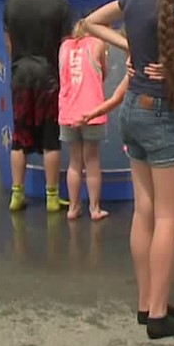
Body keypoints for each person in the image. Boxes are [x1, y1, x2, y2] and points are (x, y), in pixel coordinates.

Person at [84, 0, 174, 340]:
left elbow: (89, 23)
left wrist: (129, 50)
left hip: (133, 108)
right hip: (162, 113)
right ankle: (157, 314)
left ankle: (148, 302)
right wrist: (172, 63)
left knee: (145, 210)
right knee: (169, 216)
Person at [5, 0, 73, 214]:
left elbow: (10, 41)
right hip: (48, 76)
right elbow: (66, 44)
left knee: (19, 136)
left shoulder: (11, 3)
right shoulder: (59, 5)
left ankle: (17, 193)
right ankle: (52, 195)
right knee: (50, 137)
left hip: (21, 73)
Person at [57, 19, 121, 221]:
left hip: (68, 111)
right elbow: (103, 71)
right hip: (92, 109)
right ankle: (94, 208)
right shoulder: (98, 44)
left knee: (74, 161)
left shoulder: (64, 46)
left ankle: (73, 207)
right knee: (92, 160)